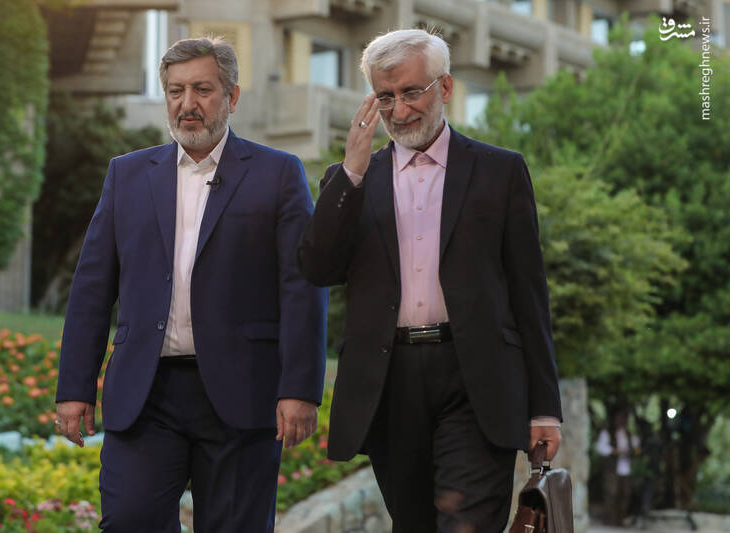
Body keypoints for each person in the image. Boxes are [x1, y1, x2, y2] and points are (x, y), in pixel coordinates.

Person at [54, 37, 326, 532]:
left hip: (243, 392)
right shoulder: (126, 174)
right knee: (129, 520)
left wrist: (300, 389)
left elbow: (302, 287)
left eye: (202, 89)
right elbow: (92, 287)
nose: (187, 104)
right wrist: (75, 387)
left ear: (232, 96)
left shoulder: (278, 173)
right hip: (146, 393)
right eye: (176, 91)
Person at [298, 29, 562, 532]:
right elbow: (317, 269)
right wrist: (350, 174)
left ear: (445, 87)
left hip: (477, 379)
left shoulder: (501, 172)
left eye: (411, 92)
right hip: (389, 381)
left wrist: (545, 408)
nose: (399, 111)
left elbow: (530, 294)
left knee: (466, 522)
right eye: (385, 97)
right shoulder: (351, 179)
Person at [596, 407, 640, 525]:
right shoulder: (607, 433)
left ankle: (620, 520)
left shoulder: (630, 435)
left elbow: (637, 449)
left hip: (626, 469)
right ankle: (609, 520)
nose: (622, 420)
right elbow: (601, 448)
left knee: (625, 495)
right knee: (611, 494)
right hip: (612, 470)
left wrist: (631, 452)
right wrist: (615, 451)